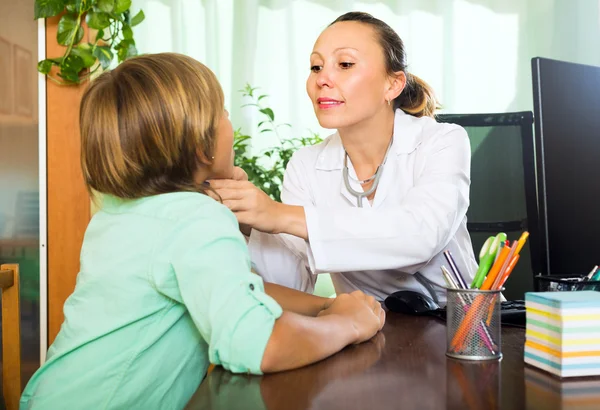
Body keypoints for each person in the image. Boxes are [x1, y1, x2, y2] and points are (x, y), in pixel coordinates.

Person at [20, 53, 384, 410]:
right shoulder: (194, 218)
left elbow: (237, 287)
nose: (230, 122)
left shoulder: (121, 212)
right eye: (223, 113)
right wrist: (346, 324)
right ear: (202, 145)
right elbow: (256, 343)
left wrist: (327, 305)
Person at [210, 11, 478, 303]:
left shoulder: (442, 141)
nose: (322, 79)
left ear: (393, 84)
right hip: (372, 333)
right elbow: (290, 282)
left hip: (467, 329)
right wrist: (248, 221)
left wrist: (277, 214)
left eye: (345, 64)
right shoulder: (306, 165)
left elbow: (420, 236)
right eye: (315, 67)